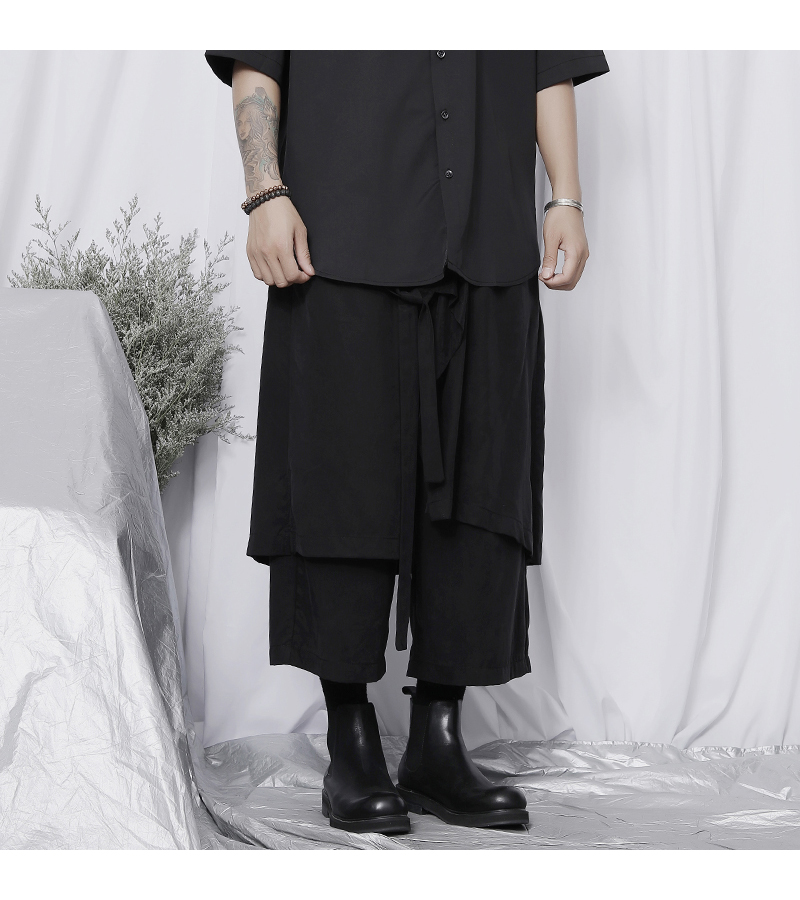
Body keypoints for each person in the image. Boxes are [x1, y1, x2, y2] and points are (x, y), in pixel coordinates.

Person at [205, 49, 609, 836]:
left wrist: (566, 196)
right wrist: (264, 192)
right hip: (338, 244)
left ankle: (438, 742)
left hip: (488, 245)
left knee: (482, 494)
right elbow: (258, 59)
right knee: (337, 488)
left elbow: (547, 59)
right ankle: (351, 742)